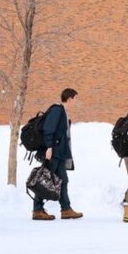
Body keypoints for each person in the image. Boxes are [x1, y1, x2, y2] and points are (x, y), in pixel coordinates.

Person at [32, 88, 82, 221]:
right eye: (75, 99)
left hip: (59, 153)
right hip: (53, 153)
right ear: (70, 98)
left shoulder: (63, 112)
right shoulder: (57, 110)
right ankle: (37, 210)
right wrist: (49, 147)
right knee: (44, 180)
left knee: (63, 180)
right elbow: (49, 128)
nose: (76, 102)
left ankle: (66, 209)